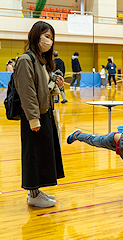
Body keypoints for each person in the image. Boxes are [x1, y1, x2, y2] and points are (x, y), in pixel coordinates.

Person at [13, 21, 65, 207]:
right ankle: (32, 194)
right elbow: (27, 93)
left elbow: (42, 90)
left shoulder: (41, 61)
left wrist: (55, 85)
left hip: (45, 114)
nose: (49, 41)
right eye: (46, 37)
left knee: (42, 154)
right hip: (34, 118)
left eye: (51, 38)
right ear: (36, 36)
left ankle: (35, 191)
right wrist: (34, 119)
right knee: (33, 155)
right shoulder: (26, 60)